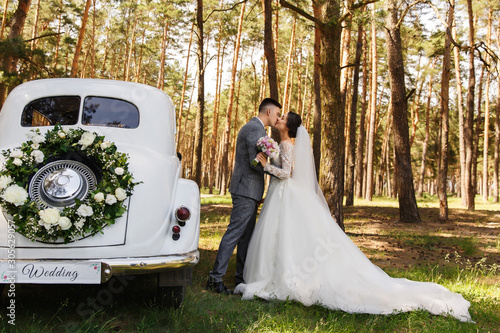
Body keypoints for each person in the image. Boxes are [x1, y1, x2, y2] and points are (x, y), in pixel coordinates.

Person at [234, 112, 472, 322]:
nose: (279, 119)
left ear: (289, 127)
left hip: (286, 192)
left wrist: (266, 165)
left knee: (284, 236)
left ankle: (283, 277)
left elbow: (286, 173)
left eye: (283, 118)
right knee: (285, 236)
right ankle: (280, 273)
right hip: (283, 195)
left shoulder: (286, 145)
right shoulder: (282, 143)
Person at [207, 98, 282, 294]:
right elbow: (253, 162)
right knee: (234, 234)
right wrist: (276, 171)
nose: (277, 118)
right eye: (276, 114)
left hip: (250, 190)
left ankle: (241, 278)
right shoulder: (254, 130)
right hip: (245, 190)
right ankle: (215, 279)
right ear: (268, 112)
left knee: (246, 237)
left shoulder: (257, 130)